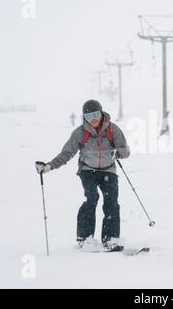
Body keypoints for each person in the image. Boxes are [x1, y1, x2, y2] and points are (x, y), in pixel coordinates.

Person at [35, 100, 130, 249]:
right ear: (84, 117)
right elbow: (67, 153)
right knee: (92, 197)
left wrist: (118, 153)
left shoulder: (113, 130)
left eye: (96, 114)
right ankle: (85, 237)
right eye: (89, 115)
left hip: (108, 170)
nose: (93, 119)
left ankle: (110, 238)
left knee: (111, 202)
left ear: (101, 113)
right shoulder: (80, 133)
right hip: (88, 170)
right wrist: (49, 166)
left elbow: (126, 151)